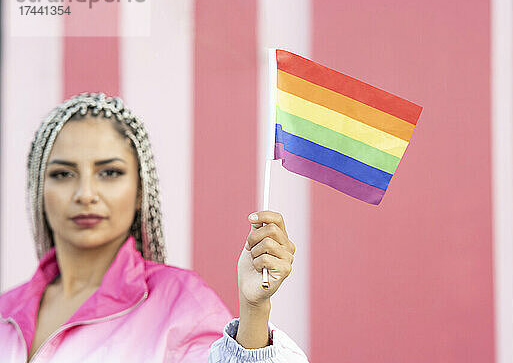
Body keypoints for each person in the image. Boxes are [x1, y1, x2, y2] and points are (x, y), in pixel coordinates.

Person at [0, 93, 309, 362]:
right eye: (63, 174)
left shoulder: (181, 303)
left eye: (109, 172)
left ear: (139, 192)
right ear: (39, 188)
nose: (85, 194)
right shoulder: (5, 311)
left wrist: (254, 309)